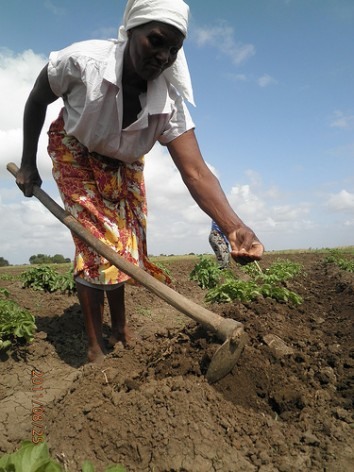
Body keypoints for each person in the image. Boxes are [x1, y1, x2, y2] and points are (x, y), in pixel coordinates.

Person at [16, 0, 264, 364]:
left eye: (174, 49)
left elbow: (195, 170)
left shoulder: (169, 103)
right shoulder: (82, 63)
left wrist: (234, 226)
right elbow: (37, 100)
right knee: (96, 246)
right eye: (156, 41)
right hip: (77, 150)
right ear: (131, 30)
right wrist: (27, 164)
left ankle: (119, 328)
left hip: (126, 163)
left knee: (126, 246)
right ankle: (94, 345)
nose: (164, 56)